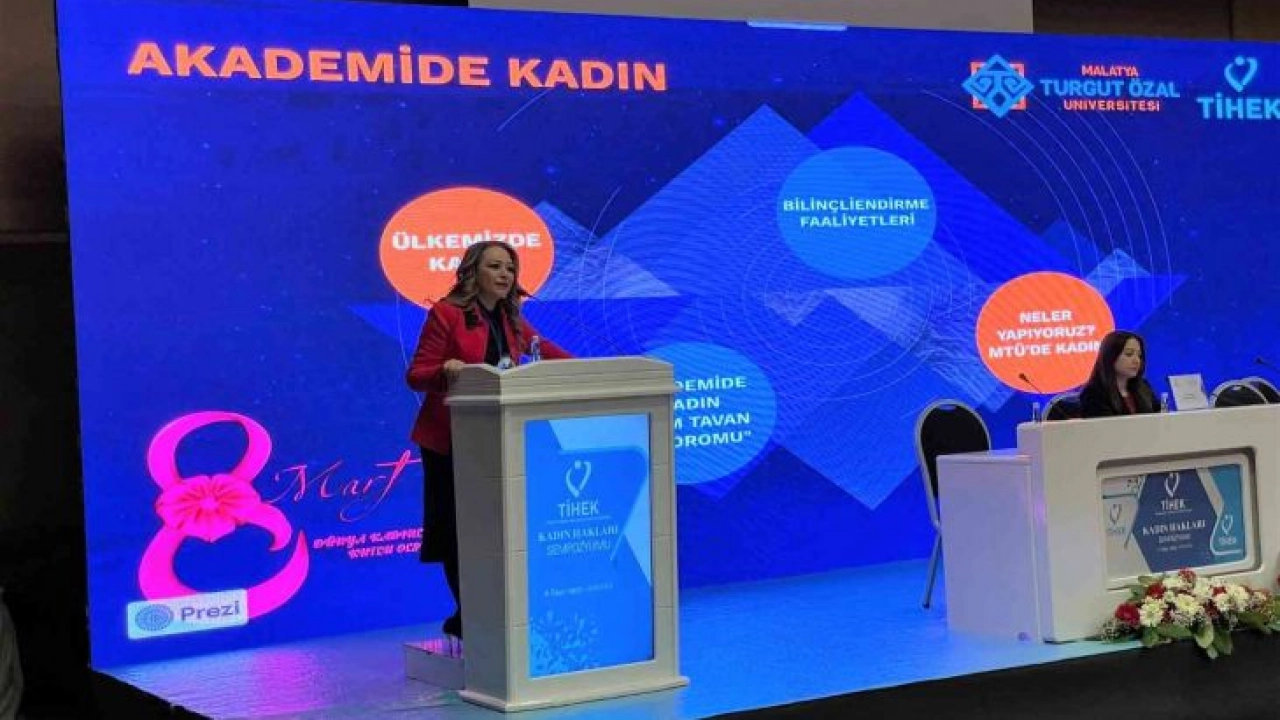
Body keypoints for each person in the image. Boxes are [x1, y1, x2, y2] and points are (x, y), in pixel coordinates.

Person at [405, 241, 572, 639]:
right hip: (450, 442)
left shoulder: (512, 320)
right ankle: (468, 615)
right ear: (472, 272)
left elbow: (548, 352)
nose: (504, 275)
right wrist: (446, 370)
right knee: (457, 531)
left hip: (498, 440)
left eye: (510, 268)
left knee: (495, 529)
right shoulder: (446, 314)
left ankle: (494, 611)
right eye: (495, 266)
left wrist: (593, 373)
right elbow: (416, 375)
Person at [1079, 330, 1159, 418]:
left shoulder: (1143, 387)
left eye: (1139, 355)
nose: (1136, 361)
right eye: (1129, 354)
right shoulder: (1094, 393)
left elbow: (1158, 417)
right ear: (1111, 356)